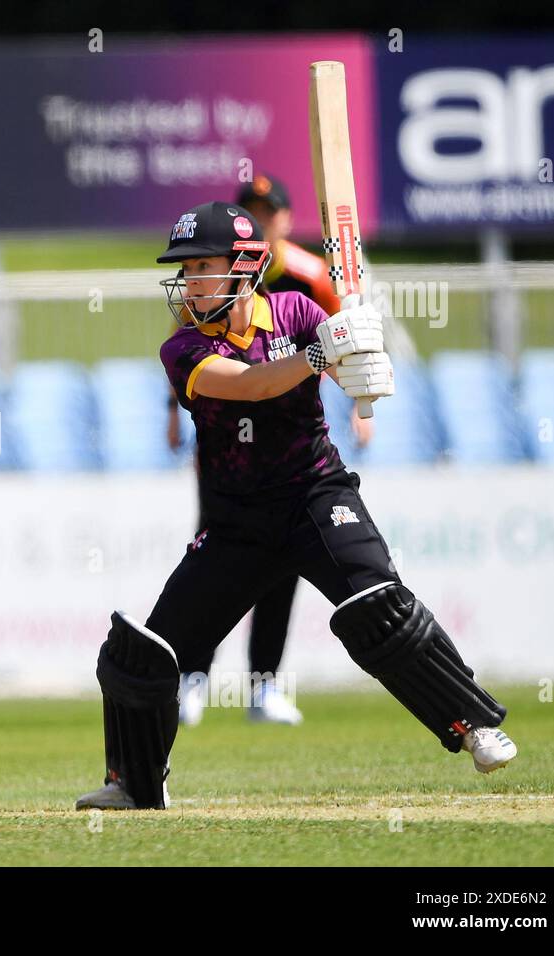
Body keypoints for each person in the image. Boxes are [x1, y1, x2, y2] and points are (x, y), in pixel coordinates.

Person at [75, 201, 516, 811]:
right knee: (144, 652)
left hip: (316, 495)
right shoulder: (182, 349)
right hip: (236, 524)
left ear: (245, 267)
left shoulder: (296, 310)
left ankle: (476, 726)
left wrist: (361, 361)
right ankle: (134, 782)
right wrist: (318, 354)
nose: (189, 280)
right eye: (186, 267)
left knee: (379, 606)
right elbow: (250, 385)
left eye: (203, 265)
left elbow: (352, 383)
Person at [167, 174, 373, 727]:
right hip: (227, 454)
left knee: (285, 569)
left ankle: (263, 686)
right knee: (214, 564)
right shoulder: (205, 277)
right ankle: (193, 677)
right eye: (252, 210)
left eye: (269, 210)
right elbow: (193, 356)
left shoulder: (307, 276)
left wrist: (358, 395)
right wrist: (172, 414)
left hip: (292, 453)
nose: (263, 218)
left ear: (284, 218)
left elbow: (340, 339)